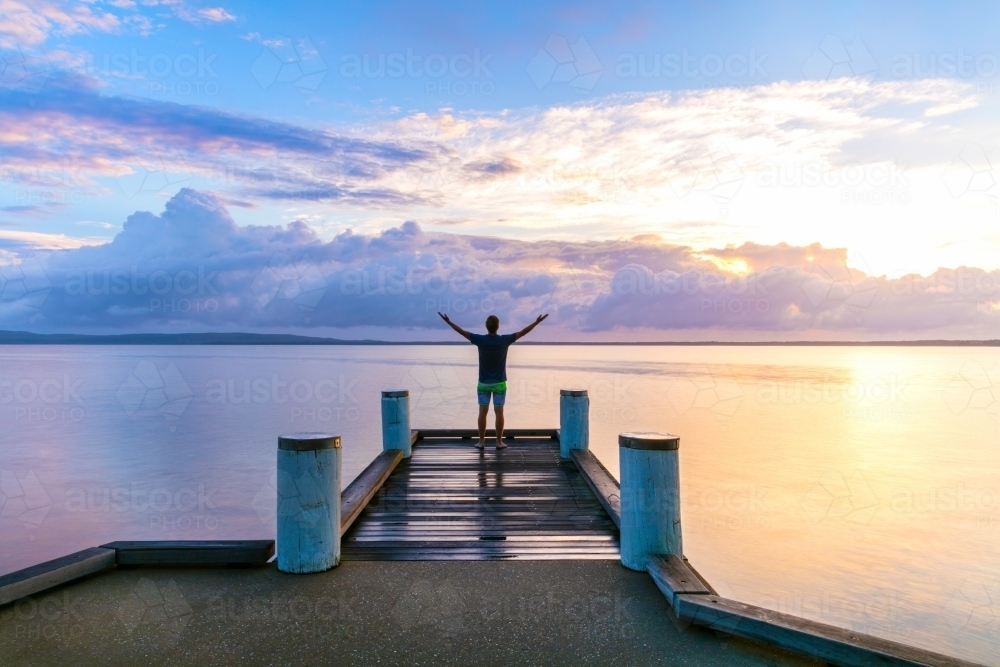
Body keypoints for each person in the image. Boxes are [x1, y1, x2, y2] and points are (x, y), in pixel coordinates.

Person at [438, 312, 548, 449]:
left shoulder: (481, 340)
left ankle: (482, 442)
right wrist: (537, 322)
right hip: (499, 384)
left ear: (486, 326)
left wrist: (449, 322)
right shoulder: (504, 340)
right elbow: (523, 332)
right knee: (499, 412)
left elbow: (462, 332)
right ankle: (498, 442)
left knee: (482, 412)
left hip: (483, 383)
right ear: (498, 326)